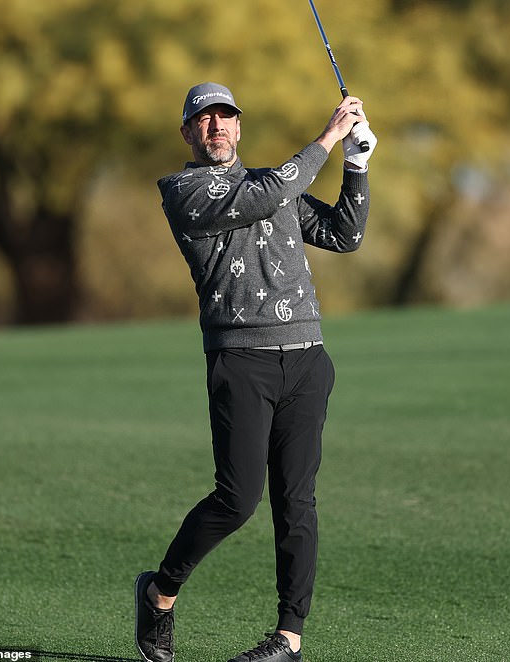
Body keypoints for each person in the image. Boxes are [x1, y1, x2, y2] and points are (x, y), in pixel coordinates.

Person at [135, 82, 377, 662]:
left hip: (307, 359)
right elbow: (266, 196)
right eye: (204, 119)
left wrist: (357, 164)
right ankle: (159, 591)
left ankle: (288, 639)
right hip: (240, 362)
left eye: (226, 117)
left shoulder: (276, 184)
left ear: (239, 127)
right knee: (238, 499)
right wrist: (326, 138)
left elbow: (346, 235)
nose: (216, 127)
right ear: (188, 132)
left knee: (298, 503)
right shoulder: (185, 190)